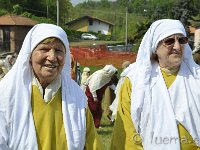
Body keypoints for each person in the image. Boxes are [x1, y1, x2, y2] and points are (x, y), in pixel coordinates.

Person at [0, 23, 102, 150]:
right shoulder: (6, 95)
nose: (52, 57)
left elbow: (91, 144)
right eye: (44, 49)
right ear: (30, 54)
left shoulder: (76, 98)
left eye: (59, 50)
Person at [110, 19, 200, 150]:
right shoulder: (136, 80)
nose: (177, 46)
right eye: (169, 41)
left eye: (181, 40)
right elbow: (128, 133)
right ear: (155, 47)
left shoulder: (197, 77)